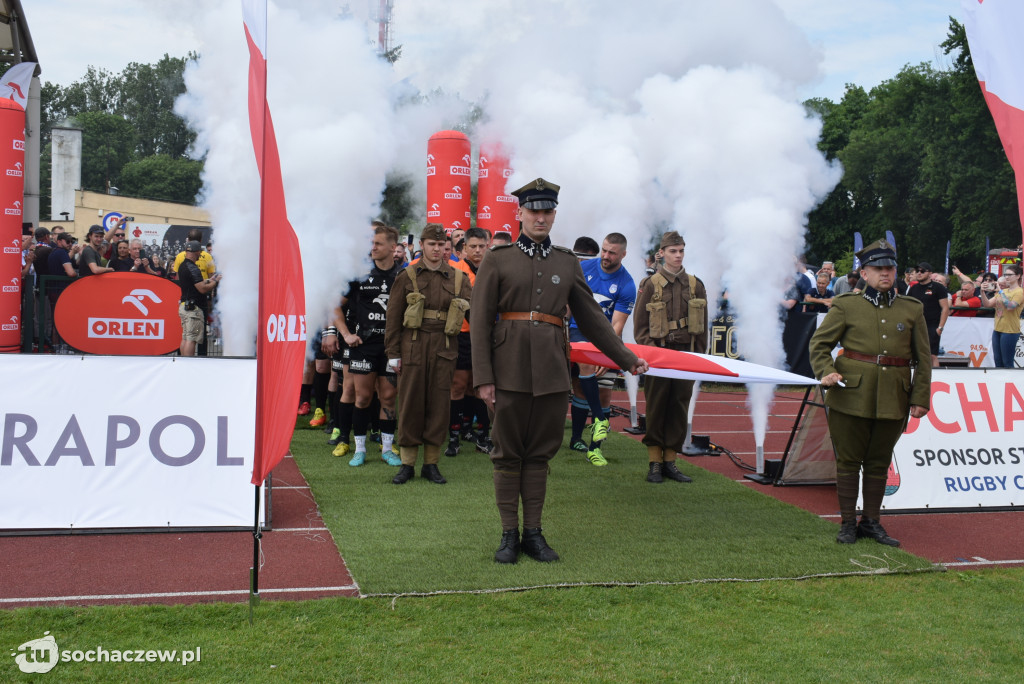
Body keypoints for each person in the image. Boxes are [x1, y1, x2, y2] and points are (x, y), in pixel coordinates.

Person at [472, 177, 648, 564]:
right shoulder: (497, 259)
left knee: (539, 455)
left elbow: (593, 319)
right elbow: (480, 320)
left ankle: (533, 533)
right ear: (520, 213)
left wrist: (625, 358)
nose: (540, 217)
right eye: (533, 210)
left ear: (554, 214)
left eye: (547, 210)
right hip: (507, 370)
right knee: (507, 454)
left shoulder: (567, 262)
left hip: (552, 371)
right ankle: (507, 535)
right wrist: (483, 379)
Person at [809, 238, 931, 547]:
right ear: (864, 273)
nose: (885, 273)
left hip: (894, 395)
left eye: (889, 267)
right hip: (850, 394)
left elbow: (923, 357)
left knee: (879, 462)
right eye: (878, 268)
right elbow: (819, 344)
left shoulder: (912, 308)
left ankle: (871, 522)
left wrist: (920, 397)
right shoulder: (847, 305)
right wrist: (826, 371)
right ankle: (848, 523)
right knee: (849, 461)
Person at [385, 223, 472, 485]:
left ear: (447, 247)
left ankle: (431, 464)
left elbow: (475, 315)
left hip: (445, 349)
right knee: (410, 404)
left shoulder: (459, 278)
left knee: (439, 406)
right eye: (431, 244)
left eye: (440, 244)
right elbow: (393, 318)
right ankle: (407, 464)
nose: (436, 249)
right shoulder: (407, 276)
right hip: (413, 346)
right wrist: (392, 354)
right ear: (422, 245)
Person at [322, 223, 402, 468]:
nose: (373, 248)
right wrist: (344, 334)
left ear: (392, 247)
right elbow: (334, 304)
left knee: (388, 398)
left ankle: (387, 449)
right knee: (363, 397)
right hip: (363, 347)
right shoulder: (358, 274)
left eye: (378, 243)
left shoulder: (404, 275)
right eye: (371, 243)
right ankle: (359, 449)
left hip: (391, 348)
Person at [633, 230, 707, 484]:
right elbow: (640, 327)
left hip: (686, 355)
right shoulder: (650, 285)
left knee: (679, 407)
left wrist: (700, 360)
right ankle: (654, 462)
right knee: (656, 406)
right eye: (673, 251)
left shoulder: (696, 284)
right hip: (659, 355)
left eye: (681, 251)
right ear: (661, 253)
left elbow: (703, 327)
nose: (678, 255)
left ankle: (670, 462)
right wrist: (650, 355)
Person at [567, 232, 636, 466]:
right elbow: (568, 303)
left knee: (605, 391)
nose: (605, 256)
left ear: (623, 255)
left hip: (604, 337)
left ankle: (595, 449)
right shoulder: (585, 268)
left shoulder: (627, 284)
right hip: (575, 330)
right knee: (579, 385)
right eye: (604, 250)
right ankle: (578, 437)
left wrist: (604, 353)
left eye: (612, 253)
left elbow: (616, 325)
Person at [177, 241, 221, 356]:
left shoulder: (182, 266)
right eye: (200, 252)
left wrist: (209, 281)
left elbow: (195, 283)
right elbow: (202, 288)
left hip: (185, 306)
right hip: (193, 309)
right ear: (197, 252)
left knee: (186, 337)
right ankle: (188, 364)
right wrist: (215, 281)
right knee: (191, 339)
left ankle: (183, 363)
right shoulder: (192, 267)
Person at [978, 264, 1022, 368]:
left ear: (1018, 276)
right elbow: (987, 304)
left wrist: (1001, 292)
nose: (1007, 277)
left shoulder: (1019, 291)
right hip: (998, 328)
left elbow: (1010, 306)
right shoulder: (1005, 291)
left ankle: (1010, 382)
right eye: (1005, 274)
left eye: (1010, 274)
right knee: (998, 361)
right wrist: (982, 291)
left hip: (1010, 330)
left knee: (1007, 362)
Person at [906, 262, 949, 368]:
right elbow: (907, 306)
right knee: (914, 354)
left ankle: (936, 379)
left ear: (930, 274)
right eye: (917, 271)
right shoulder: (913, 288)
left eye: (922, 271)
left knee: (932, 355)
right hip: (916, 325)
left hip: (932, 326)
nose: (919, 273)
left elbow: (945, 308)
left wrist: (940, 327)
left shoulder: (938, 287)